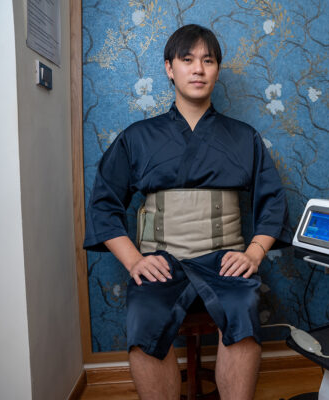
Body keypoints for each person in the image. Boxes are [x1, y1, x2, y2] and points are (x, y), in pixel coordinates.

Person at [83, 24, 292, 400]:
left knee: (243, 307)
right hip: (162, 263)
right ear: (169, 68)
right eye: (187, 59)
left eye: (208, 61)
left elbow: (273, 201)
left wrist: (253, 253)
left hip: (224, 262)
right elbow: (103, 203)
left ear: (217, 70)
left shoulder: (244, 137)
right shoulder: (137, 137)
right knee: (144, 316)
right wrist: (134, 261)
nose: (198, 69)